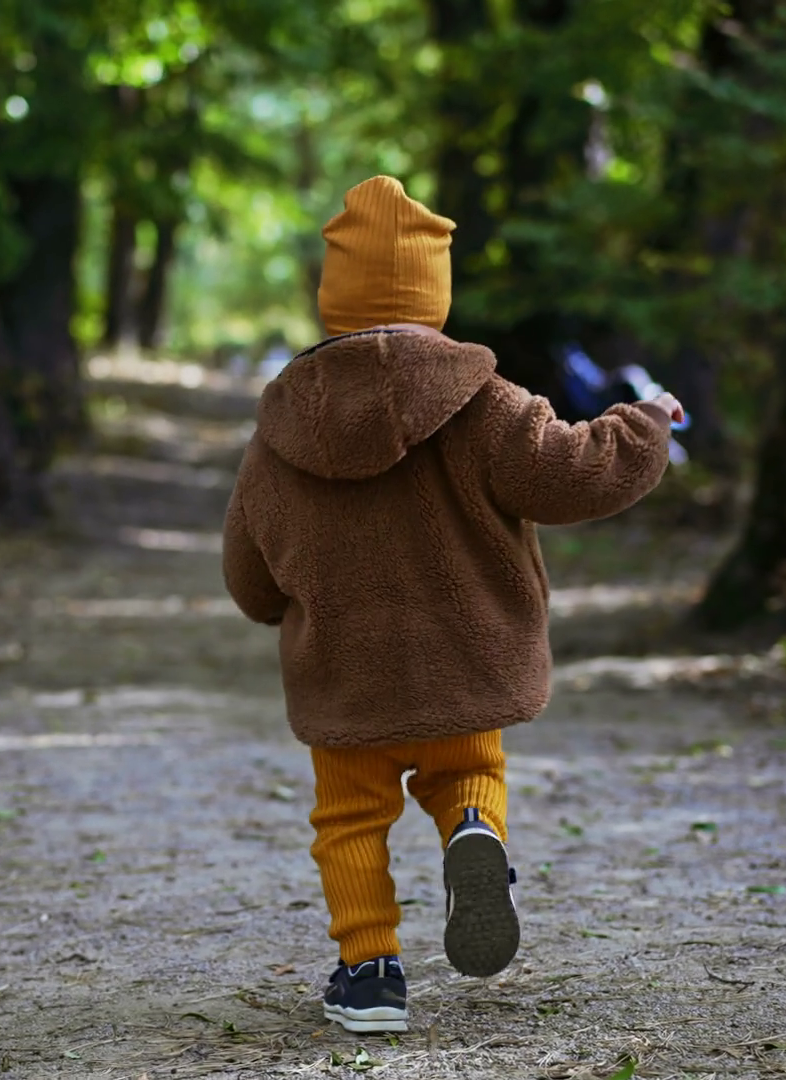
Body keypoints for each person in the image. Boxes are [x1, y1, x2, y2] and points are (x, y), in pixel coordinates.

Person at [221, 175, 682, 1034]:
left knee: (349, 821)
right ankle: (474, 828)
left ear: (333, 295)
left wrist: (283, 603)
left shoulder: (281, 432)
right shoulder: (485, 403)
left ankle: (370, 975)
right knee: (470, 769)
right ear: (433, 291)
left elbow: (249, 575)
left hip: (346, 680)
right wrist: (645, 423)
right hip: (465, 667)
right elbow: (573, 471)